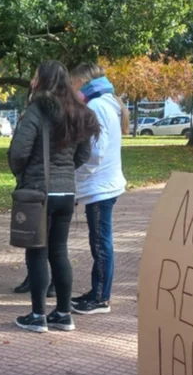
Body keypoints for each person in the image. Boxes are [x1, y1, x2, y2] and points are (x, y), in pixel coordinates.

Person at [8, 60, 97, 333]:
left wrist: (22, 173)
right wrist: (66, 172)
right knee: (60, 252)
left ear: (42, 80)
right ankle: (63, 313)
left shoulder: (36, 110)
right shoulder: (78, 112)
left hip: (38, 192)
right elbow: (83, 154)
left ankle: (37, 315)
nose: (32, 80)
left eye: (35, 75)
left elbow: (19, 152)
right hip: (66, 192)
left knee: (37, 253)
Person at [70, 63, 128, 315]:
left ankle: (101, 297)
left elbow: (95, 153)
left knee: (100, 243)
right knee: (100, 241)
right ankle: (97, 291)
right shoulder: (107, 103)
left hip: (99, 187)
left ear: (82, 81)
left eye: (73, 84)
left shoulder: (95, 106)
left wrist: (76, 176)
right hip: (104, 184)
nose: (71, 89)